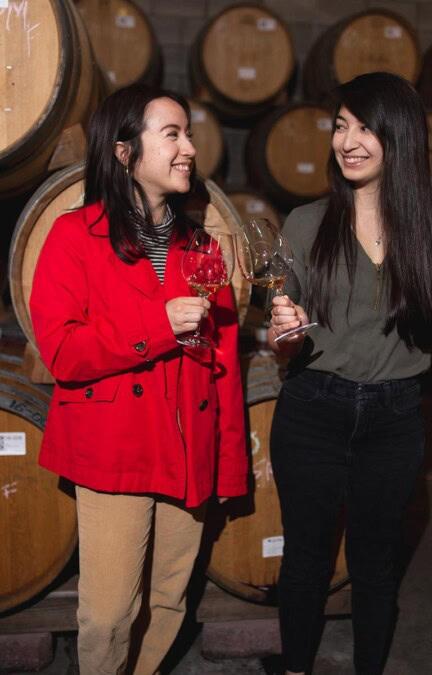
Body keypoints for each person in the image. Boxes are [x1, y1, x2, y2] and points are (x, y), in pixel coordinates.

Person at [29, 84, 248, 675]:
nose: (190, 148)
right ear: (125, 152)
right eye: (172, 134)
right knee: (109, 616)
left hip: (188, 451)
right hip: (117, 451)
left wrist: (227, 465)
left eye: (190, 134)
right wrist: (158, 322)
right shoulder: (74, 237)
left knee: (169, 601)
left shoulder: (202, 247)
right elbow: (64, 353)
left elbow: (223, 365)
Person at [268, 71, 432, 675]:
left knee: (376, 565)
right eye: (341, 126)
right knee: (306, 562)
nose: (348, 140)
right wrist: (283, 335)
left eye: (365, 127)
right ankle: (296, 668)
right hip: (312, 411)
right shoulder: (303, 223)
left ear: (397, 136)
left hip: (395, 420)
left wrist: (403, 360)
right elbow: (281, 340)